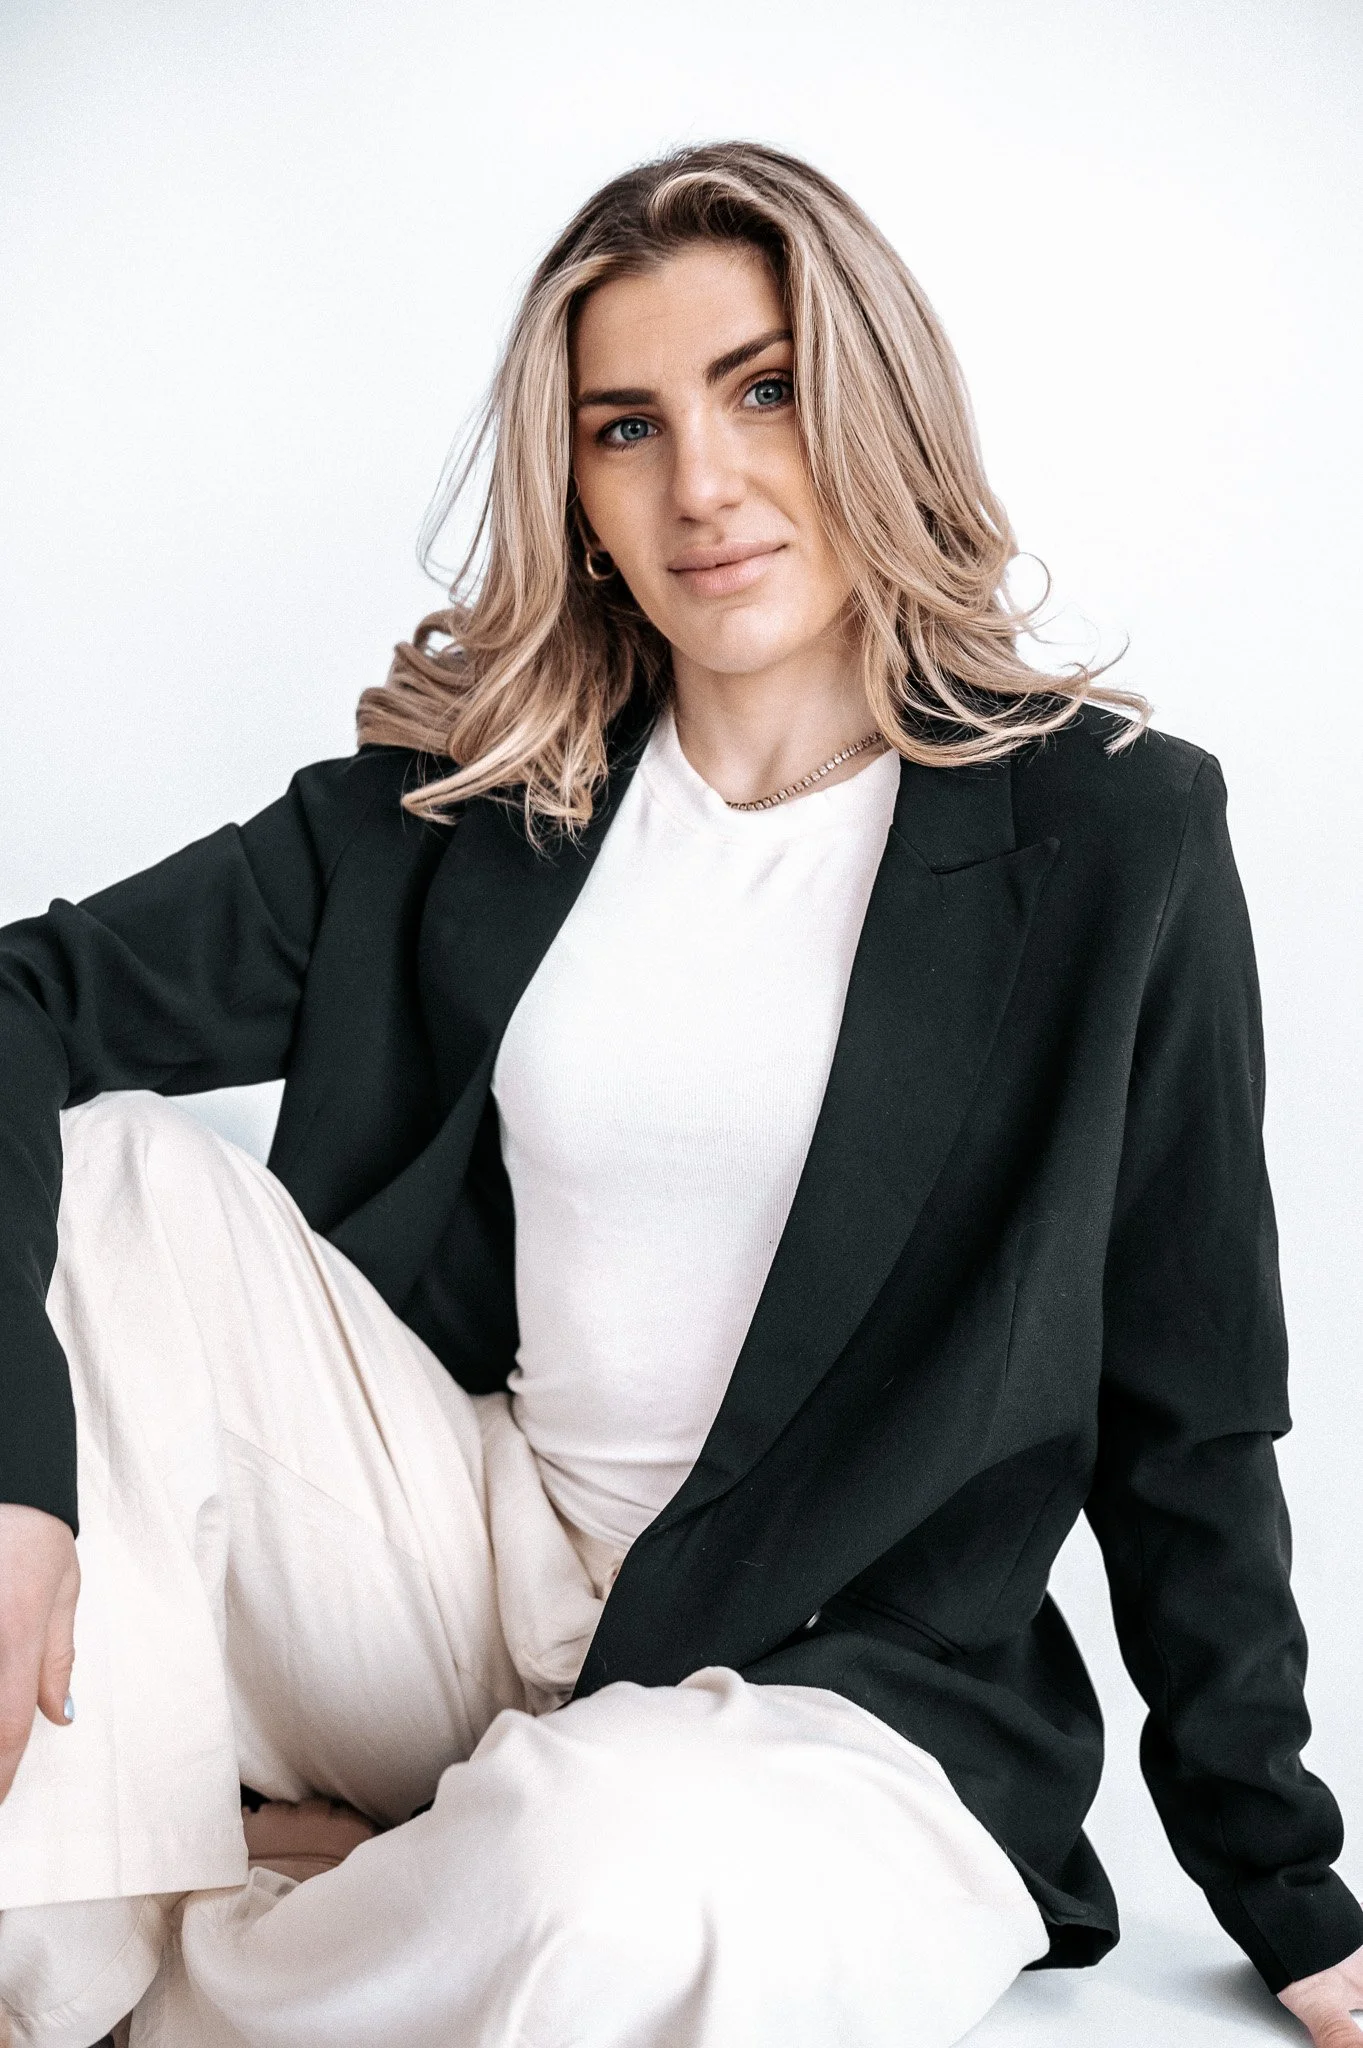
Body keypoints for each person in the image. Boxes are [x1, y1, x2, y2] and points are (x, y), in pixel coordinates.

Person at [0, 140, 1358, 2048]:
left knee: (605, 1879)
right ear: (575, 491)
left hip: (837, 1695)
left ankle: (256, 1935)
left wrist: (1286, 1893)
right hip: (468, 1592)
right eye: (623, 427)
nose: (699, 484)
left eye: (764, 391)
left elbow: (1189, 1398)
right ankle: (54, 1987)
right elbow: (20, 1002)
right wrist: (18, 1474)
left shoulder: (1109, 834)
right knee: (124, 1173)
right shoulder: (471, 811)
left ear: (875, 408)